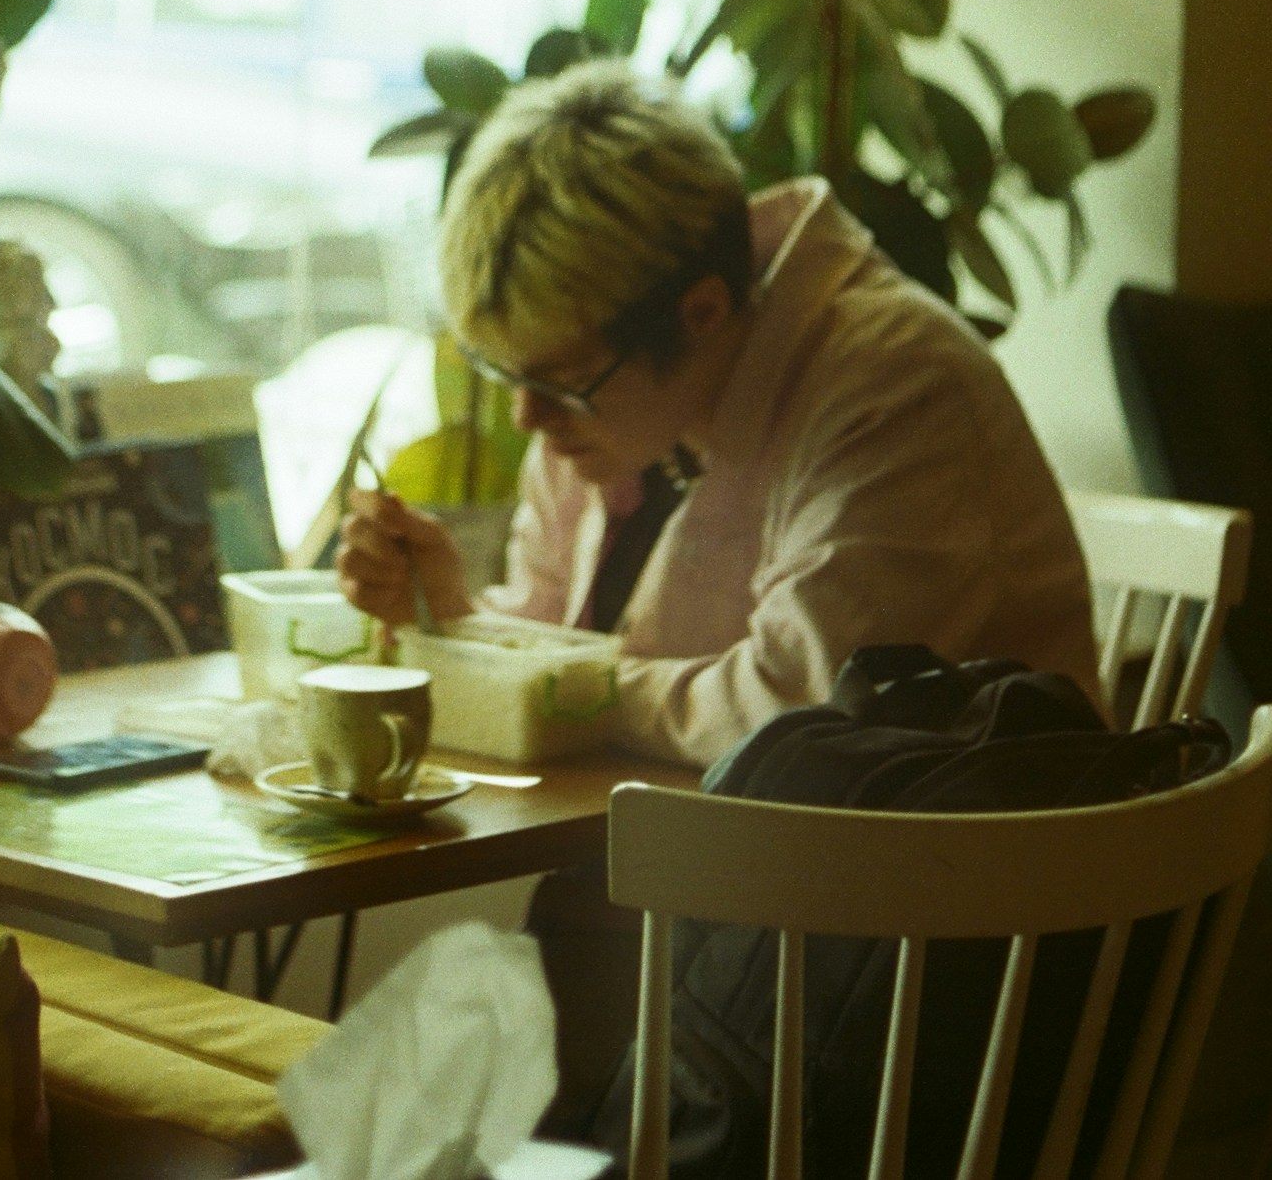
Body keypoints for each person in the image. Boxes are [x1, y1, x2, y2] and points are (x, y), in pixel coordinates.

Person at [334, 62, 1105, 1113]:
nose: (527, 420)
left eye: (555, 382)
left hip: (911, 993)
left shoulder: (892, 386)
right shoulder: (610, 402)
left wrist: (556, 685)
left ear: (700, 311)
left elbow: (801, 712)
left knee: (423, 1109)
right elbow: (573, 636)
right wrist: (452, 618)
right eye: (506, 375)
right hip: (721, 931)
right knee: (403, 1103)